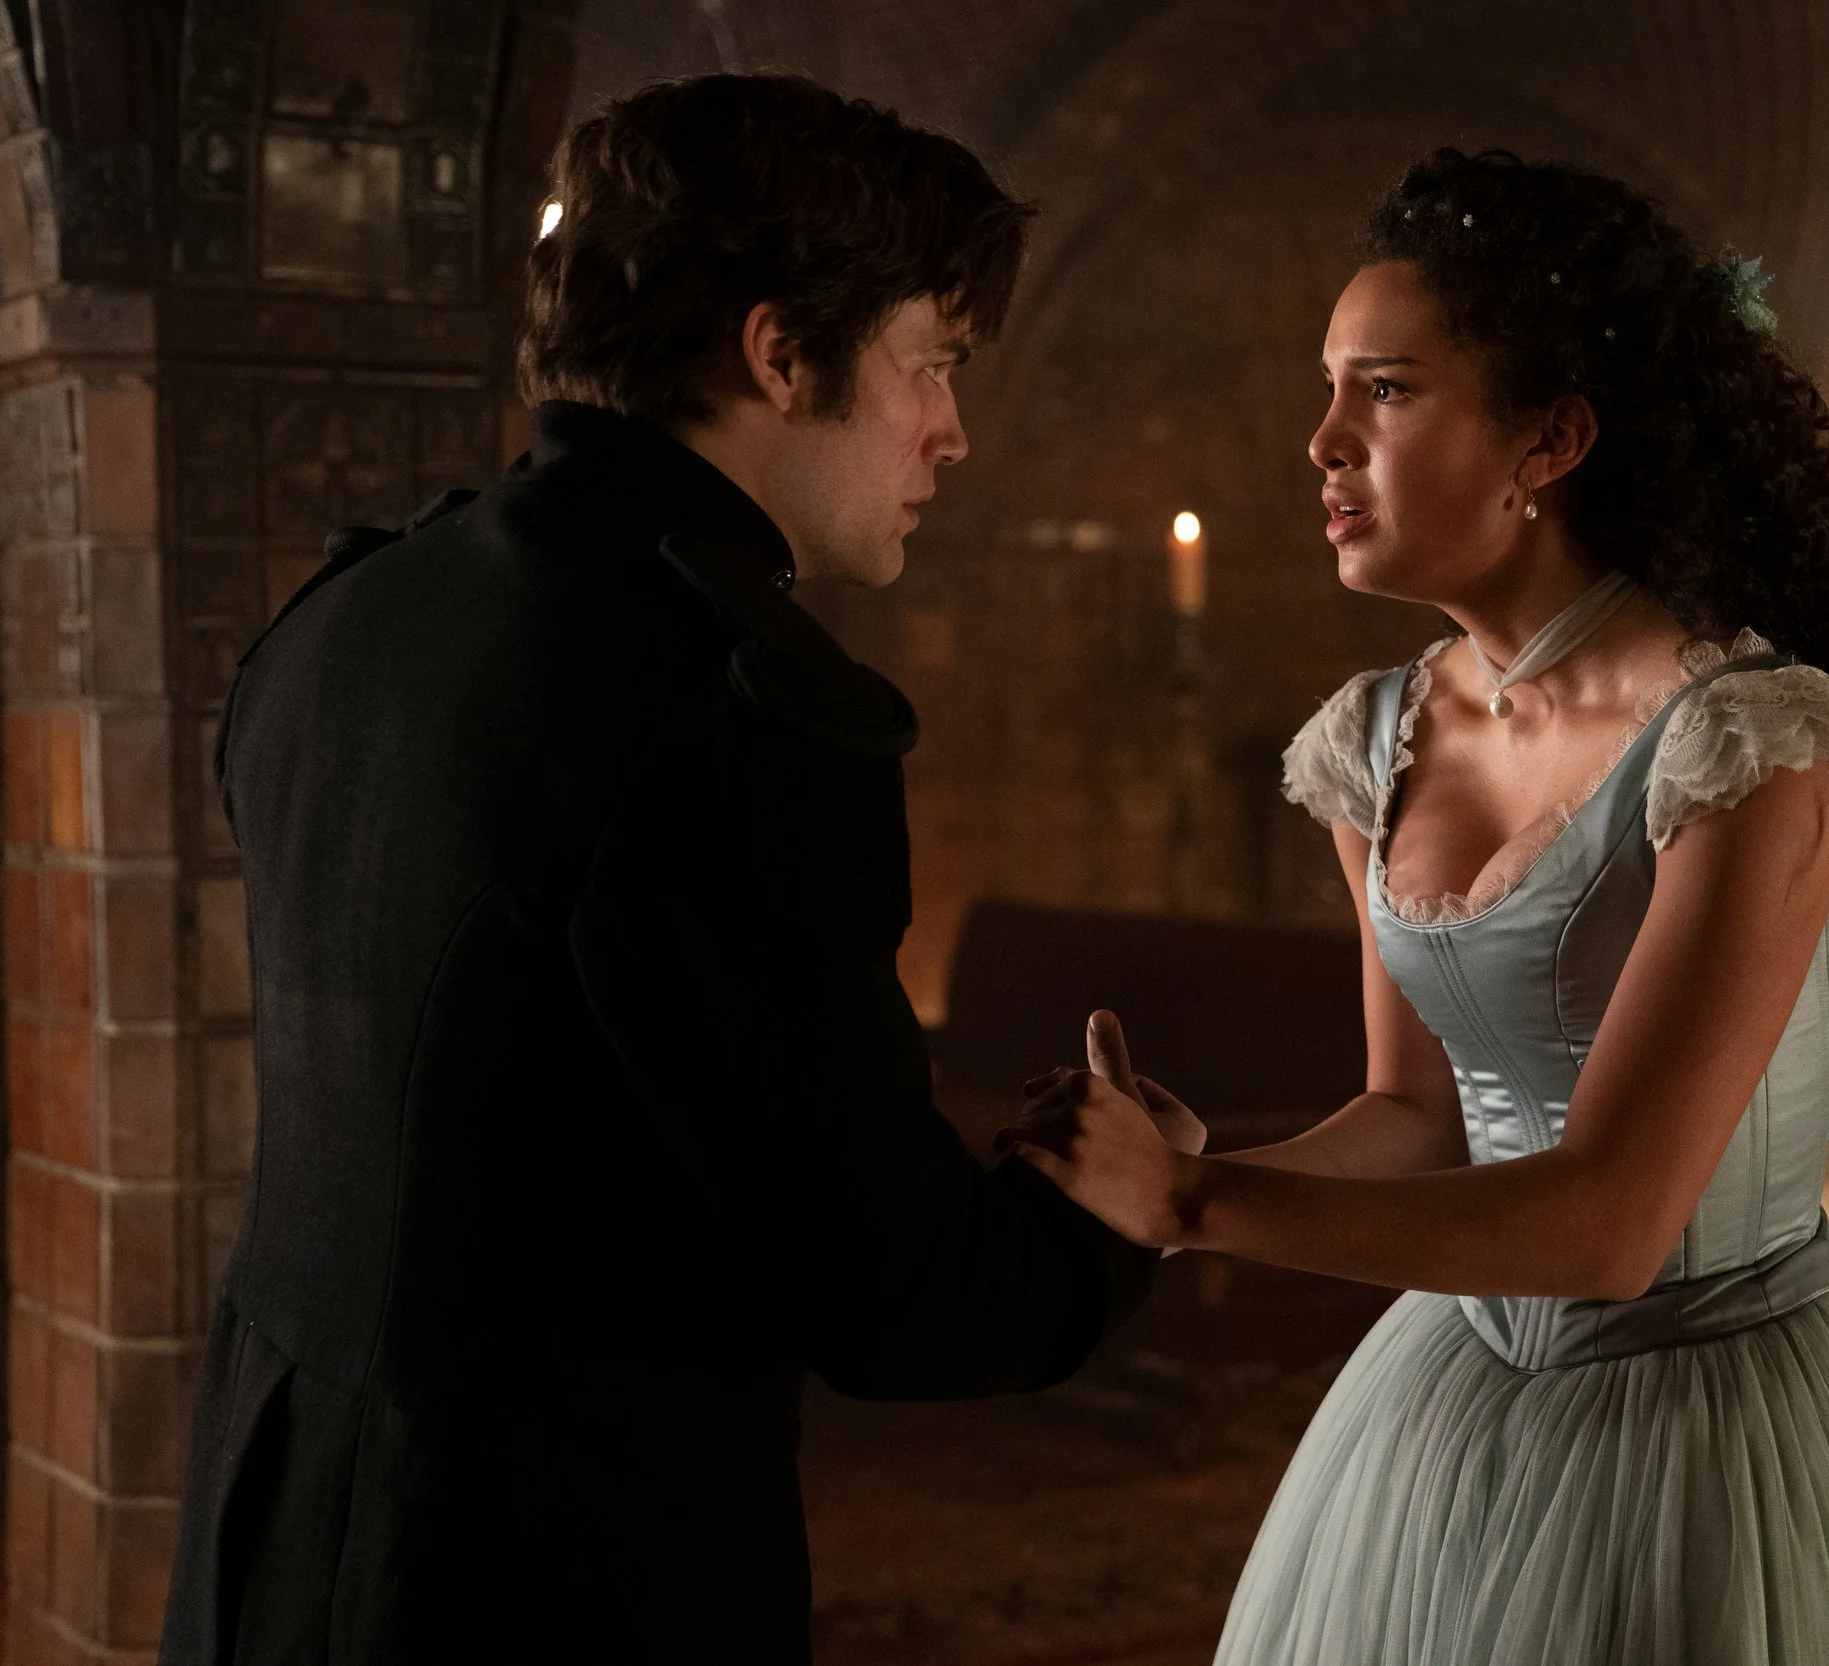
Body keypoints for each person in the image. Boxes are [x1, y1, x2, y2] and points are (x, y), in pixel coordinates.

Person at [1009, 150, 1829, 1665]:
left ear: (1549, 438)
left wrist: (1194, 1209)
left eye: (1385, 392)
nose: (1323, 441)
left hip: (1722, 1420)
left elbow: (1612, 1224)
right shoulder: (1375, 740)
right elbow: (1417, 1117)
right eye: (1331, 390)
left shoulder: (1757, 745)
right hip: (1459, 1381)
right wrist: (1191, 1164)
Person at [159, 75, 1187, 1666]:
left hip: (275, 1552)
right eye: (932, 362)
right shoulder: (732, 710)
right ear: (779, 353)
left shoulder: (350, 612)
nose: (952, 430)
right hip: (544, 1588)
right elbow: (896, 1296)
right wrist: (1113, 1210)